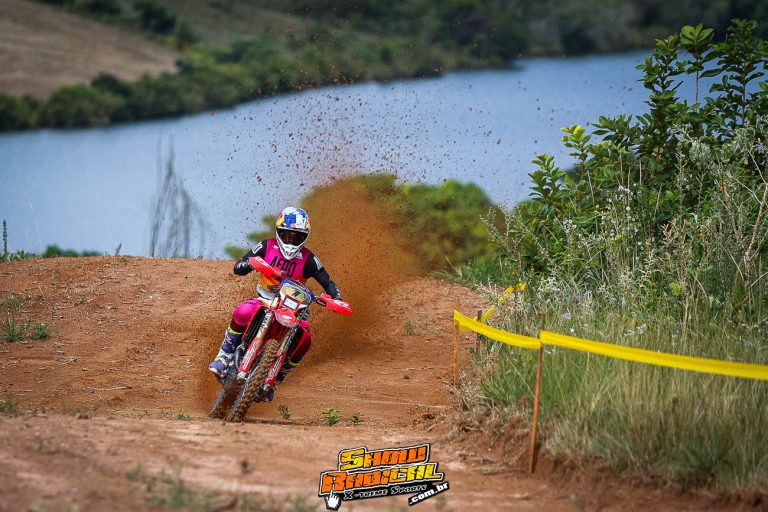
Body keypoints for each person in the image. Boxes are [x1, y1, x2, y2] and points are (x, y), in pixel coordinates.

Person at [208, 206, 342, 400]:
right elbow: (240, 265)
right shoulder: (266, 247)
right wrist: (248, 264)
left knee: (305, 339)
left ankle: (277, 378)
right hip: (265, 300)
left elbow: (328, 282)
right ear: (278, 231)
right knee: (243, 311)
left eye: (296, 236)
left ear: (304, 236)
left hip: (293, 310)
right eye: (286, 235)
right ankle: (224, 355)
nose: (290, 240)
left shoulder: (310, 259)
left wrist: (336, 299)